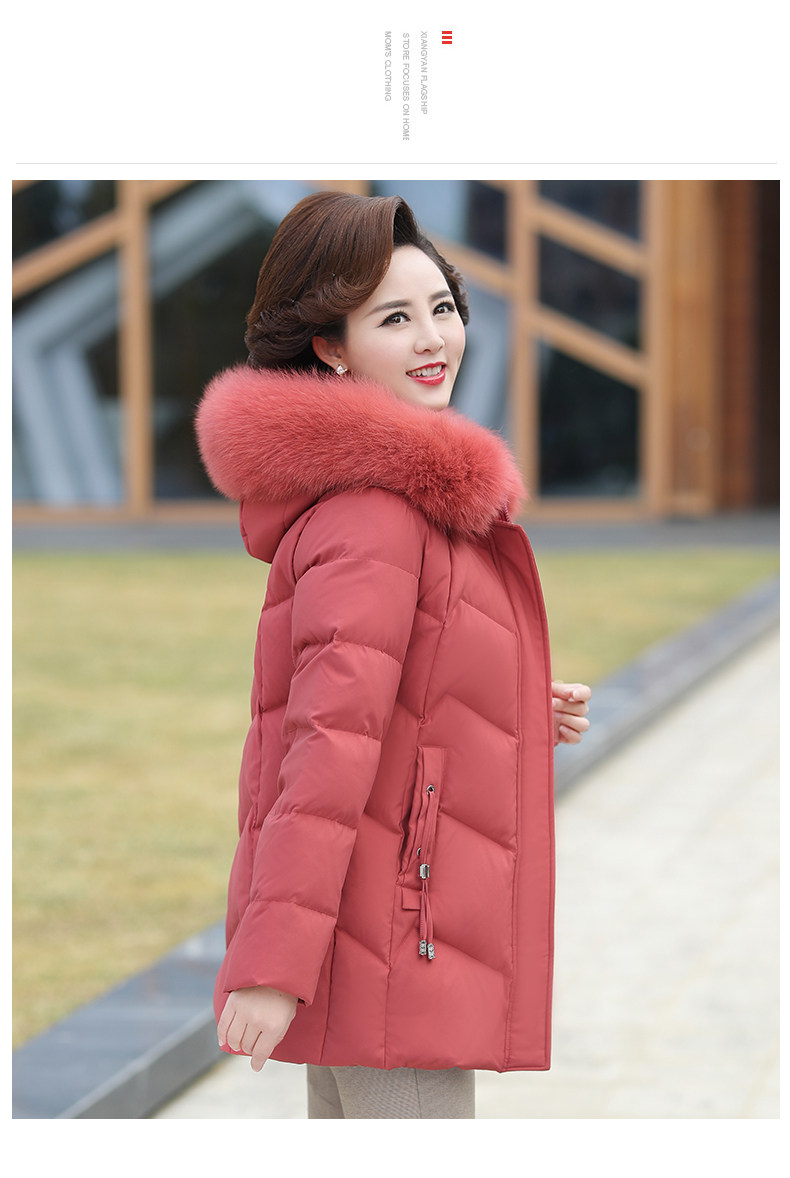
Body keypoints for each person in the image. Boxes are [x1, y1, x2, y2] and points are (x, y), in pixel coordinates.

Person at [195, 190, 591, 1119]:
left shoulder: (397, 504)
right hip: (395, 948)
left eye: (442, 308)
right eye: (394, 318)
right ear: (331, 348)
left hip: (385, 940)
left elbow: (391, 694)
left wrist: (515, 703)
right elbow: (325, 751)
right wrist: (271, 968)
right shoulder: (375, 515)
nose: (433, 339)